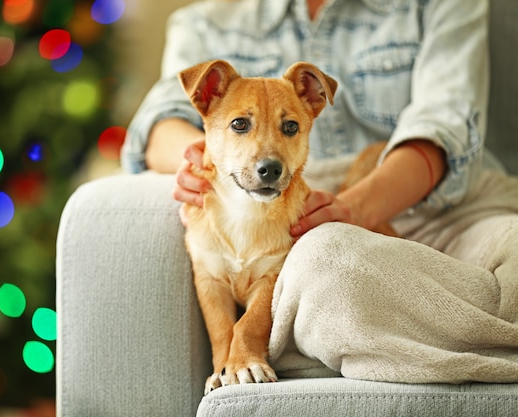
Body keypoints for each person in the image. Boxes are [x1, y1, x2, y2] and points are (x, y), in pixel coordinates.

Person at [121, 0, 518, 383]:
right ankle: (454, 340)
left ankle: (336, 345)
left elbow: (445, 125)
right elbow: (157, 123)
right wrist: (202, 159)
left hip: (442, 206)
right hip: (312, 223)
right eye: (242, 125)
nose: (266, 146)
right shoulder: (204, 22)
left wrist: (354, 208)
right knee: (328, 266)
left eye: (289, 127)